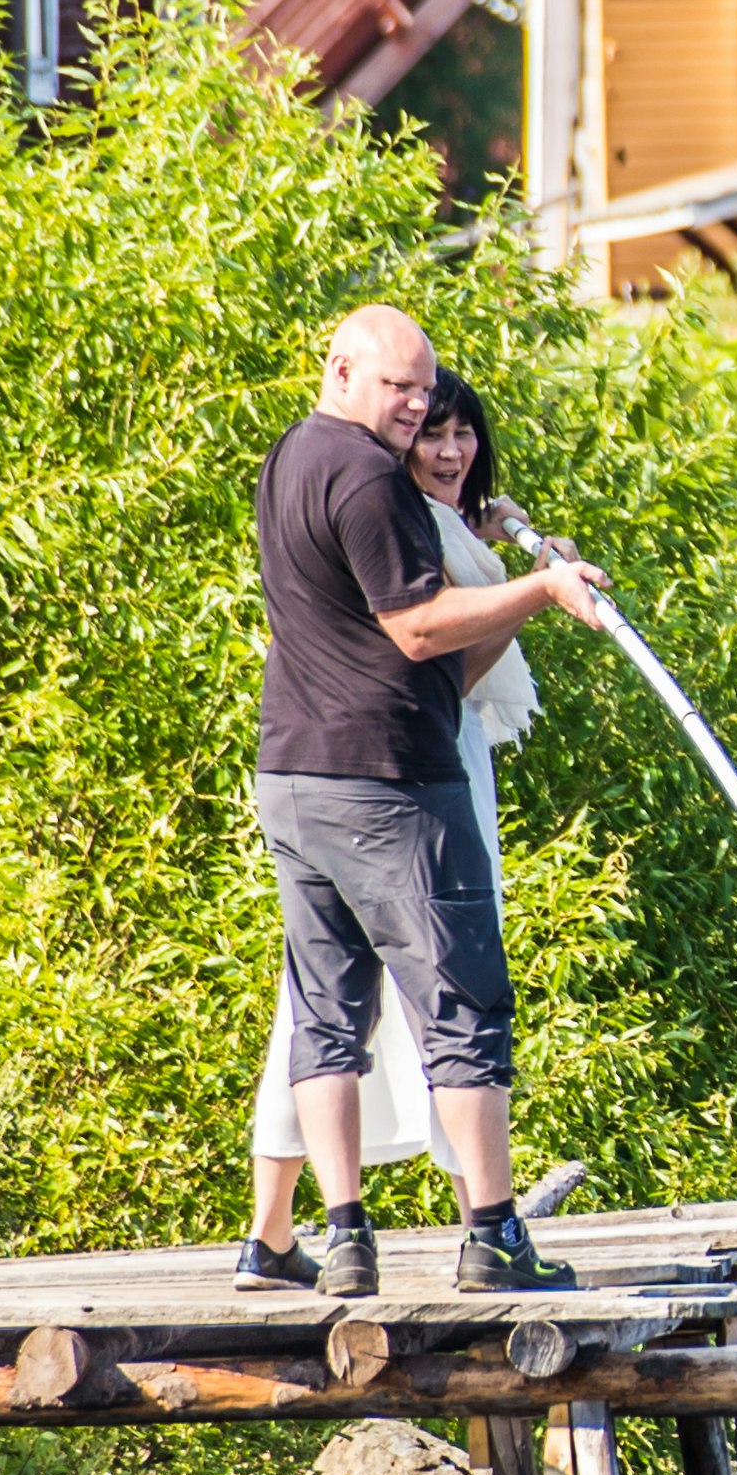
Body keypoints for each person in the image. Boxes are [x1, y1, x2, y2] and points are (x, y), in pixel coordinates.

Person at [245, 306, 609, 1299]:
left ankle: (342, 1238)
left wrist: (494, 560)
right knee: (462, 1005)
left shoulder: (291, 457)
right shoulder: (368, 474)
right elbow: (417, 627)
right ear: (342, 369)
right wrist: (541, 590)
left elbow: (401, 635)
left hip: (295, 772)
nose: (414, 406)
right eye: (398, 386)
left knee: (327, 1012)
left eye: (423, 387)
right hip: (389, 781)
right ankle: (492, 1236)